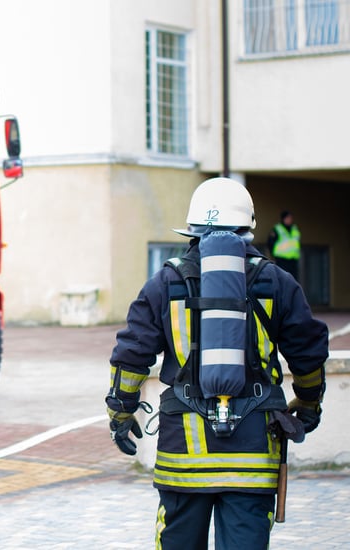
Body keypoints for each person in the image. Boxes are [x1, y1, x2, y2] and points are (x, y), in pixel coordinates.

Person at [105, 177, 327, 550]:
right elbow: (309, 352)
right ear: (247, 227)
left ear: (192, 228)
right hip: (253, 456)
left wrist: (120, 413)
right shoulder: (276, 281)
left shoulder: (166, 282)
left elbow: (131, 355)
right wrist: (308, 404)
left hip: (183, 456)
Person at [267, 210, 301, 281]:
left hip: (293, 260)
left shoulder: (295, 229)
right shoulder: (277, 229)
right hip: (281, 259)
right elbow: (270, 243)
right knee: (282, 279)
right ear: (283, 219)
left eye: (290, 218)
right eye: (288, 218)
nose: (289, 220)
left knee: (293, 280)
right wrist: (273, 256)